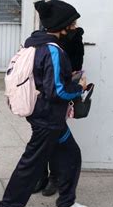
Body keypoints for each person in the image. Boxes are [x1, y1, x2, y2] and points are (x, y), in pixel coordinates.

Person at [0, 0, 88, 207]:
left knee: (71, 155)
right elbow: (56, 90)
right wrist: (79, 87)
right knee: (32, 162)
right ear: (62, 26)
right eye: (73, 23)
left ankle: (66, 202)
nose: (75, 28)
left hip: (47, 116)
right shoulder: (52, 50)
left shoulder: (35, 44)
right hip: (48, 117)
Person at [34, 26, 86, 197]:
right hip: (42, 98)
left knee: (56, 140)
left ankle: (54, 178)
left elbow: (76, 66)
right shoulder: (41, 38)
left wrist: (72, 82)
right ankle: (41, 177)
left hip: (61, 94)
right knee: (43, 140)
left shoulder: (73, 37)